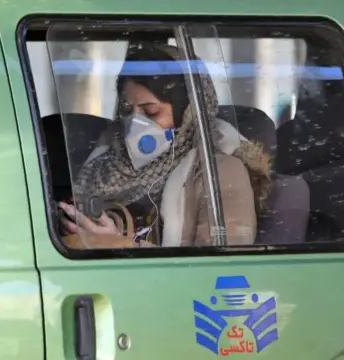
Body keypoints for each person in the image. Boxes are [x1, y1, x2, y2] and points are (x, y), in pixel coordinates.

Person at [58, 43, 272, 247]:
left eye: (151, 112)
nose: (134, 123)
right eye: (126, 110)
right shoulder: (101, 165)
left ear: (187, 113)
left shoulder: (220, 173)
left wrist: (118, 245)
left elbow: (218, 269)